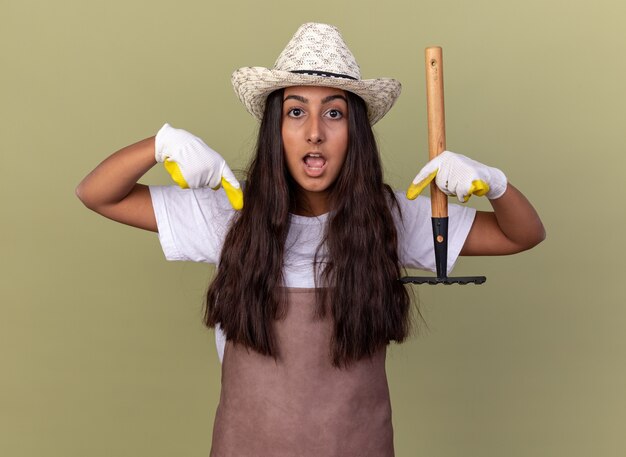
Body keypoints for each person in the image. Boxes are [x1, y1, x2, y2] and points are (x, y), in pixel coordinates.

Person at [76, 22, 544, 457]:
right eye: (296, 111)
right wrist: (159, 145)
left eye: (334, 113)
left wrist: (497, 185)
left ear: (355, 133)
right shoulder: (228, 212)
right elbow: (97, 194)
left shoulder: (392, 218)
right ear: (275, 129)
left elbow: (521, 234)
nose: (314, 133)